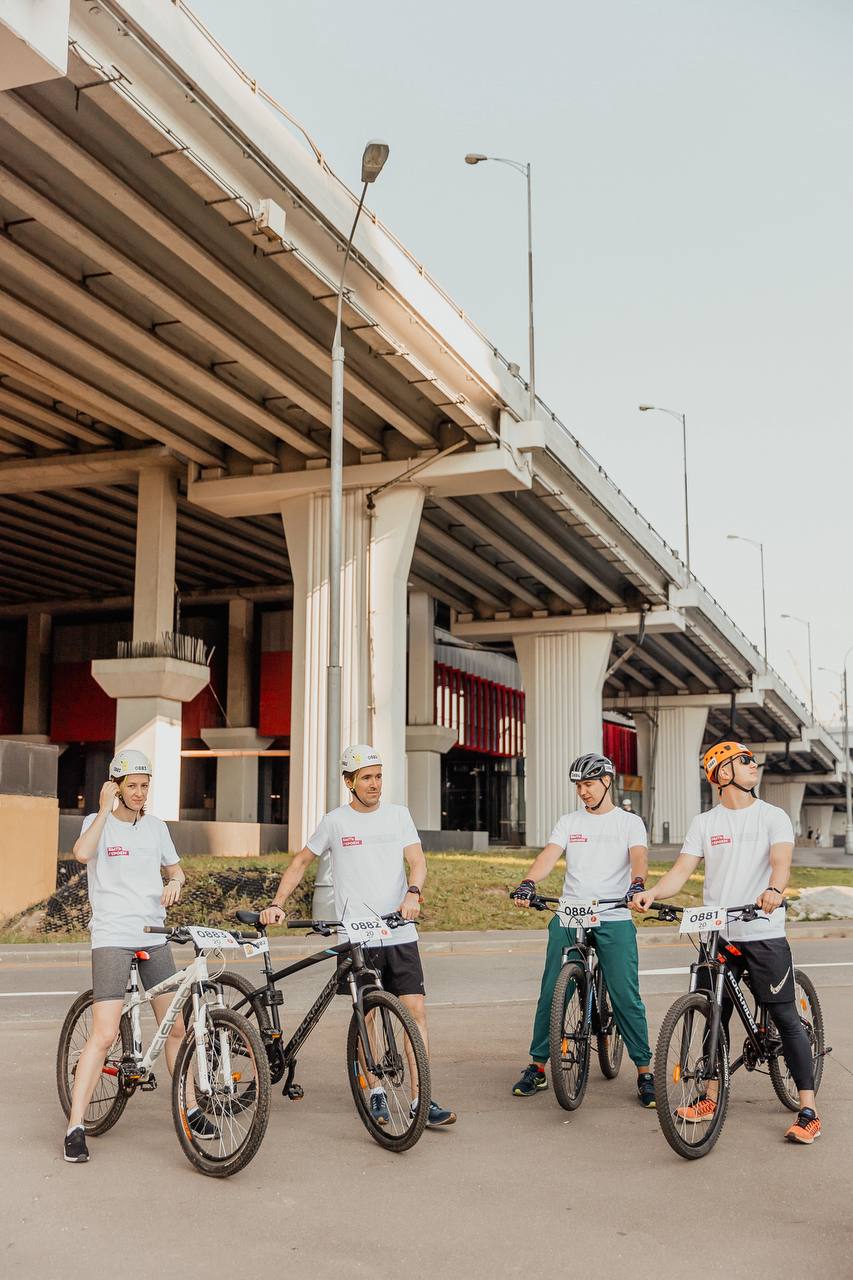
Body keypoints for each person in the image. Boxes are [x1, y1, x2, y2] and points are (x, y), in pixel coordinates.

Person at [632, 739, 822, 1144]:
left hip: (762, 931)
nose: (754, 765)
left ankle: (808, 1109)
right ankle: (710, 1095)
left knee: (785, 1017)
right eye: (744, 760)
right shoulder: (705, 823)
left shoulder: (772, 816)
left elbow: (781, 862)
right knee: (712, 1013)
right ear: (722, 773)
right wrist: (653, 894)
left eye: (752, 760)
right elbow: (681, 872)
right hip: (718, 933)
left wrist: (774, 889)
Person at [261, 745, 456, 1129]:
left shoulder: (398, 815)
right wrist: (277, 903)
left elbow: (417, 861)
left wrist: (413, 893)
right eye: (366, 777)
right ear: (350, 782)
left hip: (398, 931)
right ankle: (376, 1091)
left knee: (415, 1011)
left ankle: (421, 1099)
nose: (375, 784)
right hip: (358, 936)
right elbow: (301, 862)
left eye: (379, 776)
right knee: (366, 1014)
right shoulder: (335, 822)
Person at [62, 750, 212, 1163]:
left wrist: (175, 883)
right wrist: (103, 809)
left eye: (145, 786)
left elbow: (176, 870)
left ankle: (190, 1108)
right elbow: (81, 854)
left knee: (176, 1028)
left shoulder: (156, 827)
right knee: (105, 1033)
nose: (140, 793)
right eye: (132, 786)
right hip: (112, 935)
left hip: (154, 935)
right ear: (115, 787)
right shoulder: (97, 824)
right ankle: (75, 1126)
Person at [510, 752, 656, 1108]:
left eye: (588, 784)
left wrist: (637, 884)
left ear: (607, 781)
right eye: (578, 786)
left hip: (613, 914)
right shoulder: (569, 822)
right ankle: (538, 1067)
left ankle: (644, 1072)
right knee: (551, 992)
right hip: (571, 913)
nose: (583, 792)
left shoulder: (629, 822)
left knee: (625, 995)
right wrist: (528, 882)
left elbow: (639, 858)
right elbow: (549, 855)